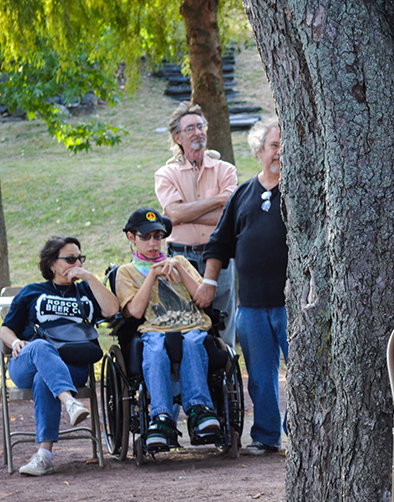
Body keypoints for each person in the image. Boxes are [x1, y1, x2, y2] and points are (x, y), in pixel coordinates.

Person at [199, 119, 288, 456]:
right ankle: (266, 437)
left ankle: (304, 429)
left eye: (286, 144)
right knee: (261, 378)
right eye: (275, 145)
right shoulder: (243, 194)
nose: (281, 152)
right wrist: (208, 283)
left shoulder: (301, 191)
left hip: (292, 305)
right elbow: (219, 244)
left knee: (307, 372)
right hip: (251, 305)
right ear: (259, 152)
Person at [0, 236, 120, 476]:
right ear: (52, 264)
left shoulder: (86, 290)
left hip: (71, 368)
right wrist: (16, 342)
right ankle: (71, 403)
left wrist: (87, 277)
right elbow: (5, 328)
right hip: (27, 361)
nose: (76, 264)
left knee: (45, 379)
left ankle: (44, 456)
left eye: (80, 259)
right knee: (42, 347)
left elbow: (112, 309)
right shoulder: (32, 292)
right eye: (70, 259)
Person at [114, 208, 223, 452]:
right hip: (154, 328)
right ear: (132, 238)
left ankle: (199, 409)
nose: (153, 243)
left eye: (158, 237)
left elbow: (201, 298)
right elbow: (136, 311)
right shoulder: (126, 272)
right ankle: (161, 417)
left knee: (193, 341)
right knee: (154, 350)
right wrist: (152, 274)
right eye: (146, 237)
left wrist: (179, 268)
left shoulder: (181, 262)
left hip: (192, 324)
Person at [154, 101, 239, 347]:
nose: (198, 132)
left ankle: (228, 377)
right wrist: (220, 200)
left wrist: (183, 214)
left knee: (223, 322)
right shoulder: (165, 174)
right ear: (177, 137)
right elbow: (173, 213)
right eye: (190, 128)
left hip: (221, 257)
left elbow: (228, 216)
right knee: (186, 325)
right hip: (182, 258)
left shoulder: (226, 170)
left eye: (200, 126)